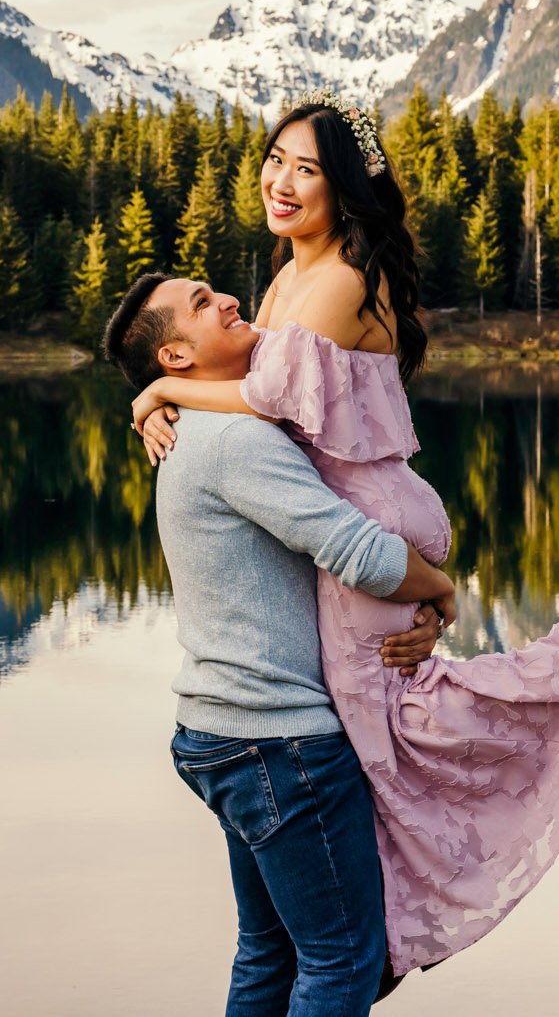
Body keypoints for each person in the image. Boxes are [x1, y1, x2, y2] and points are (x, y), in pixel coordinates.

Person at [114, 97, 559, 986]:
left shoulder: (334, 281)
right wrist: (170, 388)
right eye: (276, 160)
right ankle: (382, 933)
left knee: (389, 723)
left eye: (308, 170)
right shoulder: (292, 274)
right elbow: (251, 383)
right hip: (347, 516)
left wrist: (155, 396)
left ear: (345, 189)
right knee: (393, 720)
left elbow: (265, 400)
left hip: (362, 508)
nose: (282, 183)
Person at [104, 274, 451, 1017]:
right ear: (176, 354)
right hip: (280, 746)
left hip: (221, 732)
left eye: (214, 291)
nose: (228, 300)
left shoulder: (199, 427)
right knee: (343, 961)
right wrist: (441, 590)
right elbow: (360, 553)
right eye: (202, 304)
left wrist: (158, 395)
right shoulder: (234, 440)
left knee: (271, 952)